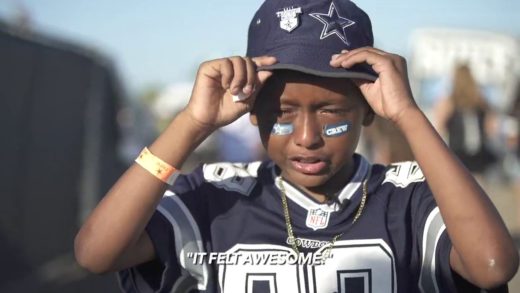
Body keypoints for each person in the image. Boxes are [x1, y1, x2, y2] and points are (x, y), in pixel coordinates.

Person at [74, 0, 518, 292]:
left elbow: (494, 265)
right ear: (251, 110)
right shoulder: (216, 196)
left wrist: (409, 115)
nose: (307, 138)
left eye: (330, 112)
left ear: (366, 109)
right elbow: (96, 254)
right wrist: (191, 124)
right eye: (282, 113)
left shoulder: (405, 198)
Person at [433, 64, 498, 177]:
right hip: (479, 156)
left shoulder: (449, 102)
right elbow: (491, 128)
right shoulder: (481, 102)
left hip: (458, 156)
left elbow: (439, 128)